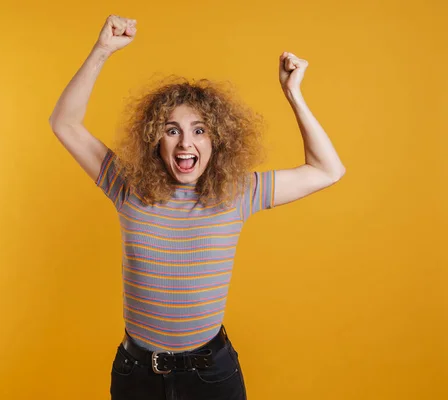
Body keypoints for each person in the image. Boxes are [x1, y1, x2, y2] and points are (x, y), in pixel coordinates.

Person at [49, 14, 345, 400]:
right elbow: (64, 122)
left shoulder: (238, 193)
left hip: (212, 377)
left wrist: (294, 95)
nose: (185, 142)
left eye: (199, 130)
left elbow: (328, 170)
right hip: (137, 375)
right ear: (156, 140)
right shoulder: (127, 186)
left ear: (217, 141)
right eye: (172, 130)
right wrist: (102, 50)